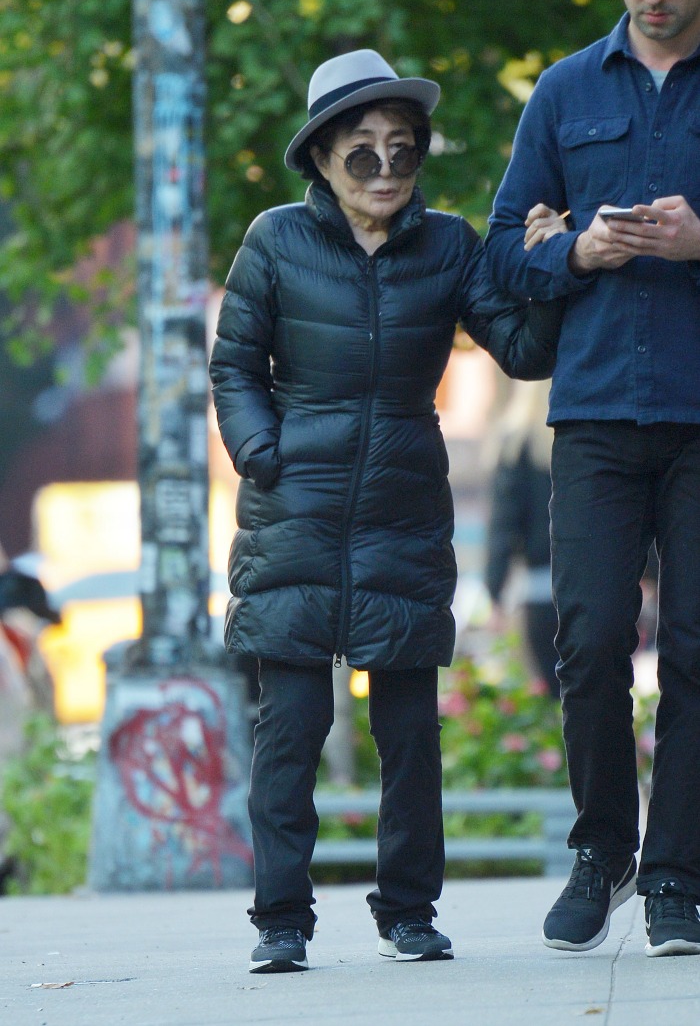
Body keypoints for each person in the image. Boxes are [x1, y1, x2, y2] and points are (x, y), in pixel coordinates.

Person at [209, 48, 561, 974]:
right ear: (322, 157)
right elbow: (235, 365)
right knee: (288, 734)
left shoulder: (448, 243)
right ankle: (281, 922)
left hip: (405, 511)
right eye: (362, 152)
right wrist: (262, 452)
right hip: (292, 514)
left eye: (402, 151)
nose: (386, 171)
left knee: (410, 735)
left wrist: (547, 266)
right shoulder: (275, 240)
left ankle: (409, 912)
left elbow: (522, 352)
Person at [485, 0, 700, 959]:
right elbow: (500, 252)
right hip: (596, 412)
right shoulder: (565, 90)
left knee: (696, 651)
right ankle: (602, 850)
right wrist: (576, 252)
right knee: (588, 638)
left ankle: (674, 879)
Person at [482, 380, 559, 698]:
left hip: (539, 589)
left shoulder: (515, 445)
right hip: (594, 585)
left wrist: (495, 590)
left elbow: (504, 525)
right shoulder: (586, 444)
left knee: (550, 694)